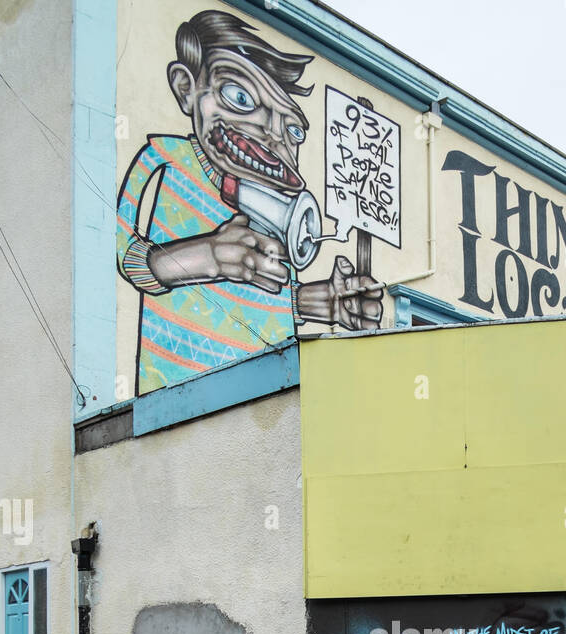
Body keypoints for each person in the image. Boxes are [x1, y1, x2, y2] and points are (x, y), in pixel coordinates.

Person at [117, 9, 382, 393]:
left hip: (269, 416)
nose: (271, 134)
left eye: (291, 128)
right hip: (174, 403)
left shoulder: (281, 215)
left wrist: (313, 302)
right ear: (185, 87)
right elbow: (123, 252)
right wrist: (205, 256)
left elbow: (265, 305)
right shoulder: (165, 161)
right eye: (240, 97)